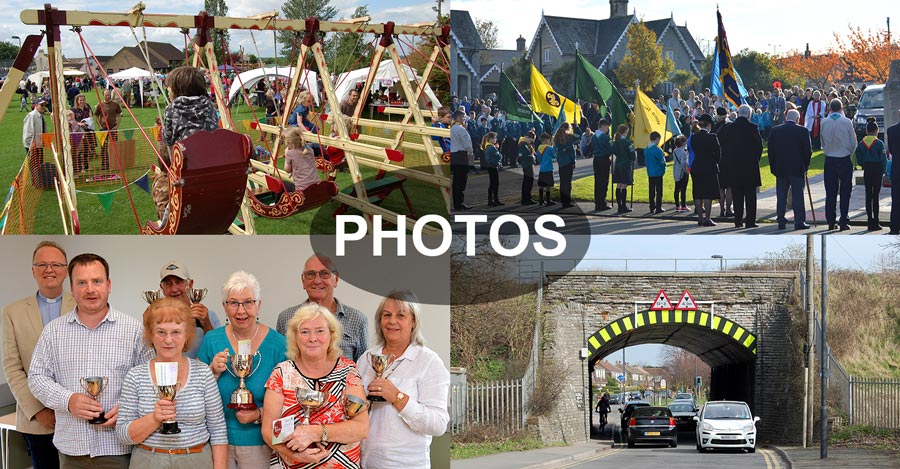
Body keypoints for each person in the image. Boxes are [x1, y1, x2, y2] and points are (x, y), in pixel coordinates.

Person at [28, 253, 154, 468]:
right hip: (71, 450)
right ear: (72, 287)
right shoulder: (53, 332)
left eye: (97, 281)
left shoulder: (134, 330)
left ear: (109, 284)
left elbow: (150, 382)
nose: (90, 289)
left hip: (119, 448)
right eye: (82, 283)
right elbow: (36, 378)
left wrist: (127, 407)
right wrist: (68, 400)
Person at [117, 298, 227, 469]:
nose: (168, 340)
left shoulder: (203, 373)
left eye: (176, 332)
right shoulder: (135, 376)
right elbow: (123, 435)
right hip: (148, 461)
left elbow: (218, 431)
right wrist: (154, 418)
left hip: (196, 460)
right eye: (161, 332)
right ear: (151, 335)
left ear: (186, 336)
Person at [198, 271, 287, 468]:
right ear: (224, 307)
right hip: (217, 441)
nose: (241, 311)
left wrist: (259, 414)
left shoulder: (278, 344)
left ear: (259, 305)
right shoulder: (212, 340)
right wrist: (212, 371)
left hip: (261, 443)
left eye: (248, 302)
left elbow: (291, 400)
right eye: (233, 303)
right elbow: (194, 392)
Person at [262, 304, 369, 468]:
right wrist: (295, 455)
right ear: (294, 337)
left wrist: (316, 433)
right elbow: (269, 430)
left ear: (331, 335)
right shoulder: (281, 374)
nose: (312, 338)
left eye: (320, 331)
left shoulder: (348, 372)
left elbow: (362, 427)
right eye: (304, 332)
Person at [2, 241, 76, 469]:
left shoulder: (83, 306)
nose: (49, 270)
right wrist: (38, 410)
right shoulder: (12, 312)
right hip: (36, 421)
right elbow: (12, 367)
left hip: (77, 417)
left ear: (66, 271)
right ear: (33, 271)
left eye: (56, 264)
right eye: (42, 264)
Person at [359, 291, 449, 469]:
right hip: (365, 463)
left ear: (413, 321)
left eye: (401, 315)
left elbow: (438, 424)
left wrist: (397, 397)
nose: (392, 321)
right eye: (387, 315)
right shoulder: (366, 359)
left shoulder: (428, 361)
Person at [153, 66, 220, 220]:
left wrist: (164, 130)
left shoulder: (172, 109)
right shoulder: (209, 105)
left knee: (174, 199)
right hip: (209, 163)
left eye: (169, 89)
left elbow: (168, 138)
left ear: (178, 89)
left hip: (186, 165)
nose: (168, 92)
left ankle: (167, 221)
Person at [275, 254, 368, 363]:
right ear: (303, 280)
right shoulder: (286, 318)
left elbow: (362, 368)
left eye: (324, 274)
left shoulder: (357, 320)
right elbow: (280, 362)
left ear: (336, 279)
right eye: (311, 274)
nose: (317, 280)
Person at [157, 261, 221, 359]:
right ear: (162, 287)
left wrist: (206, 324)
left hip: (203, 373)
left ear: (190, 284)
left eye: (179, 282)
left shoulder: (208, 316)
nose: (174, 289)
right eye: (168, 283)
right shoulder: (156, 318)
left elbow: (219, 351)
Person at [768, 109, 812, 230]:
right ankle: (799, 221)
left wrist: (774, 168)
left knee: (781, 196)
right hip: (797, 168)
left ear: (786, 117)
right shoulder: (802, 131)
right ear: (798, 119)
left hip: (781, 168)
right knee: (798, 196)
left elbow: (771, 153)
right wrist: (805, 166)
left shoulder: (775, 130)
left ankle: (781, 220)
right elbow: (807, 151)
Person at [720, 104, 763, 228]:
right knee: (750, 196)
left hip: (734, 166)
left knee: (737, 195)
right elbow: (759, 147)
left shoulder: (730, 128)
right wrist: (756, 160)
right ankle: (750, 221)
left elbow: (724, 146)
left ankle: (737, 220)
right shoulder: (753, 127)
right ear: (749, 115)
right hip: (750, 166)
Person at [820, 98, 857, 231]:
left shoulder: (824, 122)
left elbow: (822, 141)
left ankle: (830, 220)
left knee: (830, 192)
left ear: (830, 109)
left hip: (830, 159)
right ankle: (843, 220)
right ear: (842, 108)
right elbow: (853, 142)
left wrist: (828, 150)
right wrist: (849, 153)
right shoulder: (846, 121)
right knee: (845, 191)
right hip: (844, 157)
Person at [854, 118, 887, 231]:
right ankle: (876, 221)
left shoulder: (861, 144)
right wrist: (883, 170)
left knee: (868, 195)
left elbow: (858, 157)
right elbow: (883, 159)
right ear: (877, 131)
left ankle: (869, 221)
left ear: (867, 131)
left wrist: (863, 164)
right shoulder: (879, 143)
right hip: (877, 169)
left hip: (867, 169)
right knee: (875, 196)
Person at [688, 113, 721, 227]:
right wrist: (714, 161)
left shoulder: (694, 137)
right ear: (709, 125)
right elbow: (718, 154)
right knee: (707, 193)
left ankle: (700, 218)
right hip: (708, 166)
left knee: (698, 193)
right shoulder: (712, 137)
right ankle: (707, 217)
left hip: (696, 166)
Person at [282, 126, 318, 193]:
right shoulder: (309, 149)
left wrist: (286, 153)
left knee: (282, 184)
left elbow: (287, 170)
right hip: (316, 185)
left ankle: (277, 202)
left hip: (302, 189)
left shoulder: (290, 153)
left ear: (289, 142)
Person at [449, 110, 473, 210]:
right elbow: (467, 144)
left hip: (453, 155)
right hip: (461, 155)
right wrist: (471, 152)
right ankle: (459, 203)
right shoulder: (460, 129)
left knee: (456, 181)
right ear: (459, 118)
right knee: (461, 180)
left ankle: (457, 203)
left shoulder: (451, 128)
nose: (464, 120)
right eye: (463, 118)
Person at [95, 89, 123, 171]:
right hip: (103, 129)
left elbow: (119, 115)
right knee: (104, 147)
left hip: (113, 128)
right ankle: (105, 164)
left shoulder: (115, 104)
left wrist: (117, 126)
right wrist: (100, 126)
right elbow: (97, 116)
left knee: (114, 146)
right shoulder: (100, 105)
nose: (108, 96)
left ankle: (114, 164)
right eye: (106, 95)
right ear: (103, 95)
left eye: (109, 95)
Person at [611, 124, 635, 214]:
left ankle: (619, 206)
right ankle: (624, 206)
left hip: (618, 164)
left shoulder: (615, 142)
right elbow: (632, 155)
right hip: (625, 164)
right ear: (625, 132)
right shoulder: (627, 142)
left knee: (619, 185)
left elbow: (613, 151)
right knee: (624, 185)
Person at [591, 119, 613, 211]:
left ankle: (597, 203)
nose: (607, 129)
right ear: (603, 126)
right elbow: (611, 148)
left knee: (597, 181)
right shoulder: (605, 137)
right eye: (607, 127)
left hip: (596, 159)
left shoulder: (593, 136)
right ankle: (602, 202)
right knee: (604, 181)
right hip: (604, 159)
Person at [554, 123, 577, 208]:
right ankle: (567, 201)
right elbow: (578, 135)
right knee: (567, 182)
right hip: (568, 161)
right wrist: (577, 126)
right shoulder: (569, 138)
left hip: (561, 162)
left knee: (563, 182)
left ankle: (563, 200)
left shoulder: (557, 137)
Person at [644, 131, 666, 214]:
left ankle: (651, 206)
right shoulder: (657, 150)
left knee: (651, 190)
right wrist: (663, 170)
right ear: (657, 139)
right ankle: (658, 207)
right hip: (658, 172)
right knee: (659, 191)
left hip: (650, 172)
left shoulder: (646, 149)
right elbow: (662, 162)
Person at [482, 131, 503, 207]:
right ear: (490, 139)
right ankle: (495, 200)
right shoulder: (491, 148)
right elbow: (499, 156)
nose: (496, 140)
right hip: (493, 166)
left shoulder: (488, 146)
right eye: (494, 138)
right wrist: (497, 149)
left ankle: (491, 200)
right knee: (495, 184)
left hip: (491, 166)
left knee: (492, 184)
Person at [888, 110, 900, 235]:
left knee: (896, 199)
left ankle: (895, 226)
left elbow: (891, 150)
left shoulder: (891, 131)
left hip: (897, 168)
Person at [536, 132, 556, 206]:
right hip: (548, 168)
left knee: (541, 185)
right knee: (548, 185)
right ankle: (548, 200)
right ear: (547, 140)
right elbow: (554, 155)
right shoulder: (549, 148)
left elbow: (538, 158)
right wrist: (554, 145)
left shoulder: (539, 147)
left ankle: (541, 200)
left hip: (542, 169)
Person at [518, 131, 538, 205]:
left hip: (529, 164)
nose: (531, 142)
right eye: (530, 140)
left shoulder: (526, 144)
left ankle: (527, 198)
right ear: (526, 137)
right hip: (526, 164)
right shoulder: (522, 145)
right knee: (528, 182)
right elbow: (522, 156)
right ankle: (526, 199)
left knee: (529, 181)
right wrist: (532, 156)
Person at [672, 135, 690, 213]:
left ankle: (677, 205)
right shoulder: (683, 153)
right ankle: (683, 205)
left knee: (677, 189)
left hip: (676, 171)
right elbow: (683, 163)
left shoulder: (675, 151)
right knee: (683, 189)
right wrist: (686, 171)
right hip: (683, 172)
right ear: (683, 143)